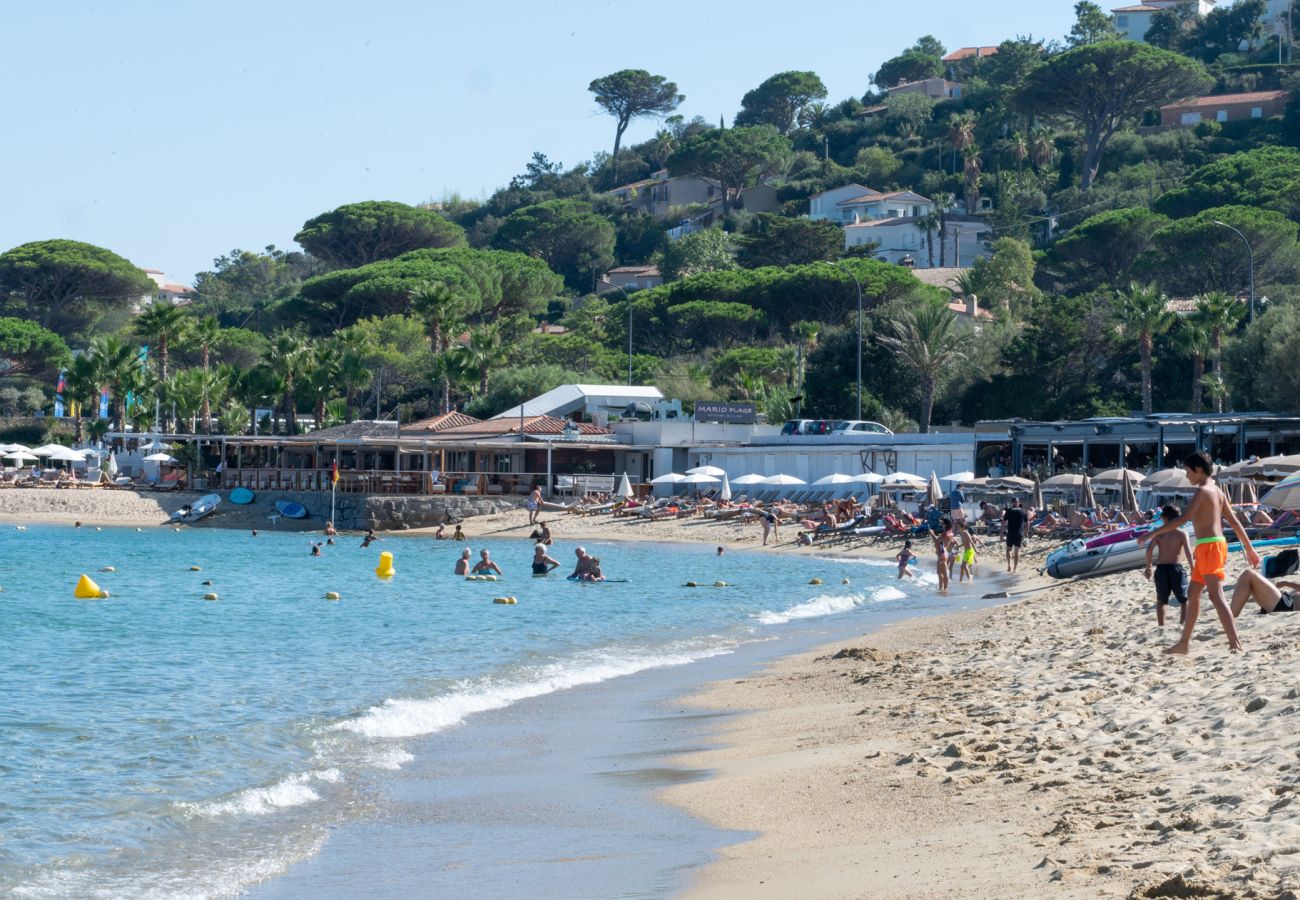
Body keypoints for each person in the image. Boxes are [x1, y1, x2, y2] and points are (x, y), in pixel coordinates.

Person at [1138, 451, 1261, 655]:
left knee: (1216, 595)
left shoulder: (1203, 491)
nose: (1186, 476)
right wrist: (1249, 548)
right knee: (1193, 594)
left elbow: (1182, 519)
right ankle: (1184, 643)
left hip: (1210, 547)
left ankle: (1235, 643)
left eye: (1187, 471)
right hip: (1211, 545)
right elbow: (1235, 522)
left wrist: (1152, 533)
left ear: (1199, 469)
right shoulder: (1218, 491)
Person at [1144, 504, 1193, 627]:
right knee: (1184, 599)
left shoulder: (1159, 533)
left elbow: (1149, 550)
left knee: (1161, 600)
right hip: (1176, 568)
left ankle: (1161, 626)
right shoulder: (1182, 534)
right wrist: (1193, 567)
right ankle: (1182, 624)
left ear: (1164, 518)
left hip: (1161, 569)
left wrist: (1148, 567)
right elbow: (1188, 551)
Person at [1230, 568, 1300, 616]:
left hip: (1286, 605)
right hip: (1284, 602)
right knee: (1249, 581)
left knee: (1248, 574)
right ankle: (1230, 615)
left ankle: (1230, 615)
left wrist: (1286, 583)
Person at [1003, 499, 1027, 573]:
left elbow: (1004, 522)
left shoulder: (1009, 511)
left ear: (1012, 503)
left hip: (1010, 533)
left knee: (1008, 550)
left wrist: (1002, 533)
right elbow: (1027, 523)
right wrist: (1026, 533)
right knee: (1017, 551)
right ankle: (1015, 569)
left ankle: (1009, 566)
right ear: (1018, 503)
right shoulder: (1023, 511)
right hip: (1019, 534)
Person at [930, 518, 951, 593]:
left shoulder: (947, 534)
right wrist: (932, 534)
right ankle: (941, 588)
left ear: (945, 524)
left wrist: (933, 534)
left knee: (944, 572)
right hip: (941, 554)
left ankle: (945, 588)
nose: (941, 525)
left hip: (942, 553)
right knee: (939, 572)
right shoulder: (943, 534)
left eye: (942, 523)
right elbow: (937, 541)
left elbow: (940, 542)